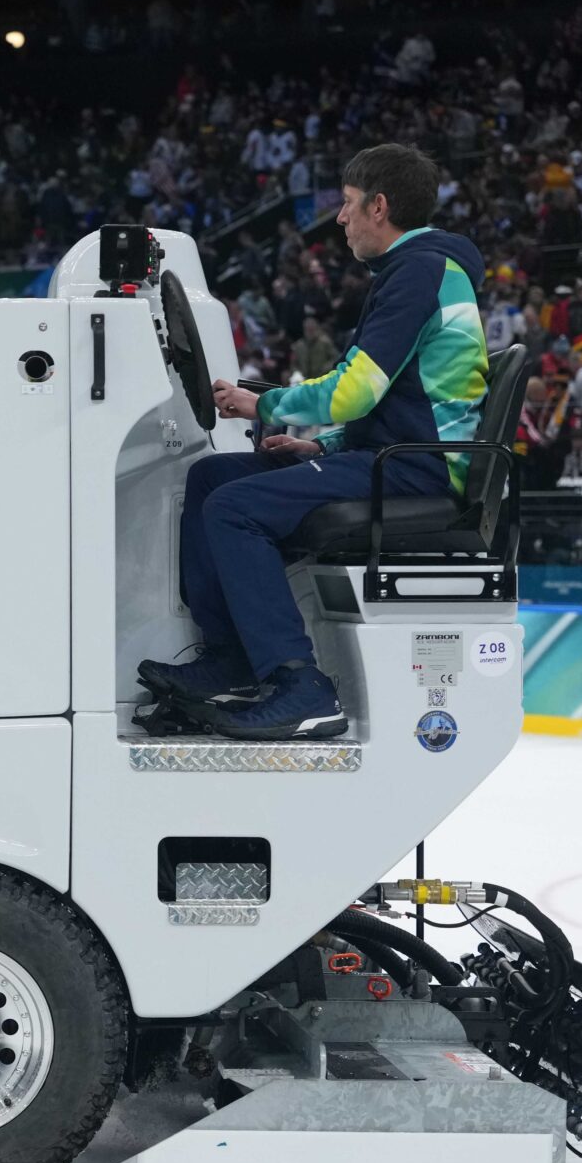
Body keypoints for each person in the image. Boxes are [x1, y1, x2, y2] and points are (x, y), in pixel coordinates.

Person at [139, 143, 490, 739]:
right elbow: (387, 397)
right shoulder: (415, 270)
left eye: (349, 205)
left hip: (418, 469)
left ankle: (300, 683)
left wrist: (266, 404)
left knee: (233, 508)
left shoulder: (420, 270)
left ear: (379, 207)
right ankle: (230, 658)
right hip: (391, 453)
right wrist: (322, 448)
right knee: (212, 479)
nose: (340, 218)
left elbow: (355, 392)